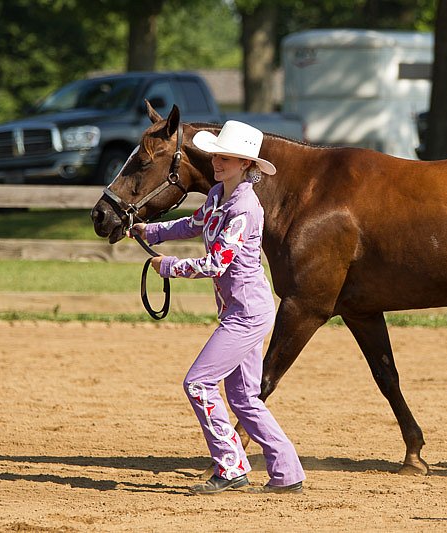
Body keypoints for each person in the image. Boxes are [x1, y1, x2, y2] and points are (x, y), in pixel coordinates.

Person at [128, 120, 305, 495]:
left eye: (226, 158)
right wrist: (150, 230)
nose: (216, 162)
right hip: (241, 311)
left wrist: (169, 266)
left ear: (246, 165)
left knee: (198, 383)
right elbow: (194, 224)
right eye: (217, 155)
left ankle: (230, 466)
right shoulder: (217, 198)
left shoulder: (244, 208)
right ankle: (287, 472)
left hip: (247, 315)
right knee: (244, 399)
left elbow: (216, 263)